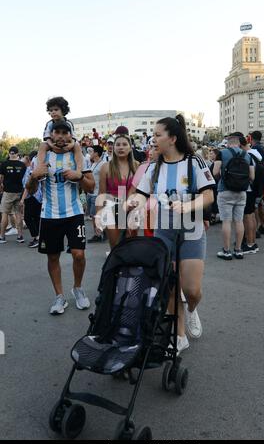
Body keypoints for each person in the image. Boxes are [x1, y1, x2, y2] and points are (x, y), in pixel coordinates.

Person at [126, 115, 215, 355]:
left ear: (173, 138)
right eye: (152, 135)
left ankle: (192, 309)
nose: (152, 139)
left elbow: (209, 195)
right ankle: (179, 335)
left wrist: (187, 206)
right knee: (169, 286)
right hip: (163, 232)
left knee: (192, 289)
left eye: (157, 135)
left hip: (192, 231)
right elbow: (142, 194)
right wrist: (130, 202)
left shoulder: (193, 162)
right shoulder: (154, 167)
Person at [27, 121, 95, 315]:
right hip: (49, 215)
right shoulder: (41, 157)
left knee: (79, 254)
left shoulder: (79, 157)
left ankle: (78, 288)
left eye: (65, 132)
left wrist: (79, 176)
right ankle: (59, 297)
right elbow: (30, 191)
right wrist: (33, 176)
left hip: (74, 213)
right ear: (51, 134)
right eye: (57, 131)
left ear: (71, 136)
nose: (61, 136)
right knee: (53, 256)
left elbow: (91, 187)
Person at [213, 133, 255, 260]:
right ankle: (238, 250)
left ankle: (226, 251)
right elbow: (252, 177)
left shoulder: (222, 153)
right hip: (242, 192)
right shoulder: (247, 155)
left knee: (226, 221)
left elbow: (215, 172)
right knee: (238, 220)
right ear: (238, 143)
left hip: (225, 190)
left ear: (228, 143)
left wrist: (222, 180)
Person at [96, 134, 139, 250]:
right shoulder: (105, 167)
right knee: (116, 247)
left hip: (131, 210)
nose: (121, 147)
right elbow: (101, 194)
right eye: (118, 145)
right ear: (113, 148)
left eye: (124, 144)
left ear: (130, 148)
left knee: (130, 247)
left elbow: (140, 192)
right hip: (111, 208)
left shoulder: (137, 166)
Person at [38, 96, 83, 176]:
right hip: (53, 144)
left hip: (66, 144)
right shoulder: (49, 124)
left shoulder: (68, 123)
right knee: (42, 145)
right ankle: (41, 167)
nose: (53, 112)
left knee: (77, 146)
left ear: (63, 110)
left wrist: (71, 145)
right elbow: (47, 137)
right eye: (51, 110)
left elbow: (73, 138)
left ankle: (79, 170)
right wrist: (52, 145)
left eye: (56, 110)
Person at [0, 146, 27, 244]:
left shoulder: (4, 164)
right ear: (17, 154)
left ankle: (2, 237)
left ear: (9, 154)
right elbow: (25, 179)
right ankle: (20, 236)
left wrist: (2, 185)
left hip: (7, 192)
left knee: (4, 213)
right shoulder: (22, 165)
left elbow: (1, 178)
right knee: (18, 214)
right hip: (20, 192)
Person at [20, 151, 42, 248]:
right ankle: (39, 237)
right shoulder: (35, 169)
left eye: (25, 157)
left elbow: (27, 187)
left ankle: (36, 237)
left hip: (32, 197)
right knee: (36, 217)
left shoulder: (30, 170)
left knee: (28, 217)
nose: (22, 159)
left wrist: (22, 199)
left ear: (29, 159)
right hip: (38, 197)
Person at [87, 146, 107, 243]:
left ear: (96, 153)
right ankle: (102, 233)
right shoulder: (93, 164)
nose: (90, 153)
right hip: (91, 193)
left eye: (92, 151)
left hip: (98, 193)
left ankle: (98, 234)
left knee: (96, 215)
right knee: (93, 215)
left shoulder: (103, 164)